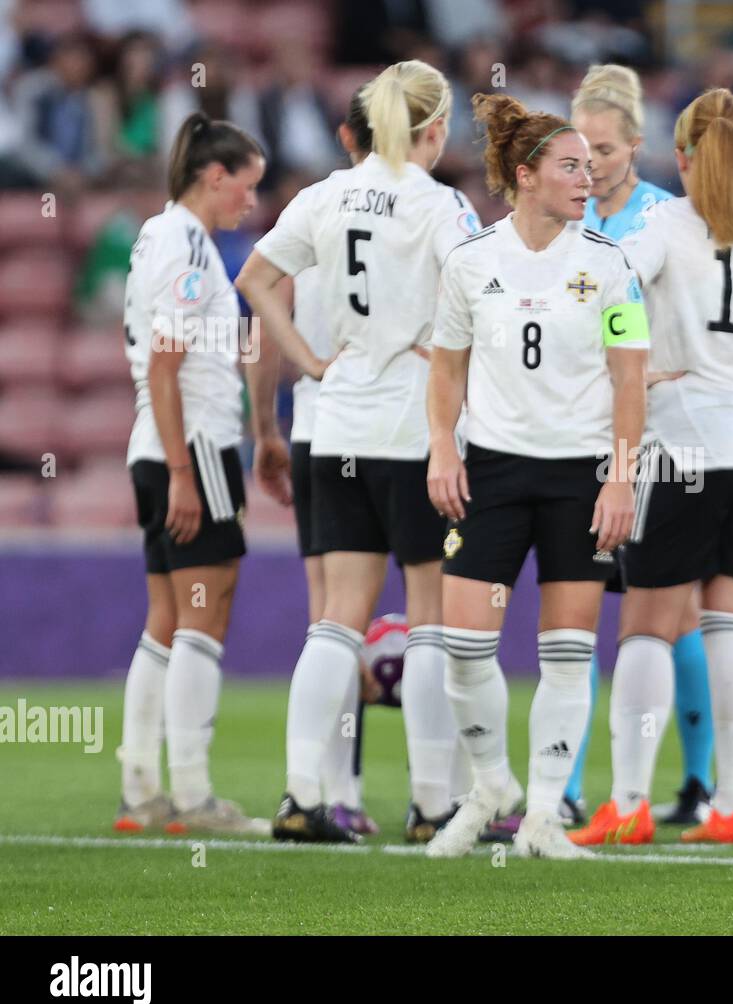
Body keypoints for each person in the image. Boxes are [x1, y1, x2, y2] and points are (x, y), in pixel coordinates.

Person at [236, 59, 481, 844]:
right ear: (434, 128)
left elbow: (255, 279)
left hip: (336, 423)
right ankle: (433, 805)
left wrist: (309, 363)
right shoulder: (441, 205)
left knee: (335, 622)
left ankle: (304, 797)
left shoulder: (322, 195)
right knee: (430, 620)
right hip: (415, 430)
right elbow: (479, 306)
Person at [569, 88, 733, 848]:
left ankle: (629, 803)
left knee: (646, 626)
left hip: (683, 446)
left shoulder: (663, 225)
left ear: (679, 156)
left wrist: (636, 367)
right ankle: (731, 807)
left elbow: (604, 294)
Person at [425, 92, 648, 860]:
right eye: (571, 166)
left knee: (567, 652)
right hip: (490, 470)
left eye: (591, 166)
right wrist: (442, 448)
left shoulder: (610, 264)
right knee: (462, 643)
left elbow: (630, 381)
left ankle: (546, 816)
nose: (588, 179)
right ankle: (491, 784)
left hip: (581, 476)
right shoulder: (470, 261)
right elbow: (446, 369)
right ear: (525, 175)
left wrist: (619, 480)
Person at [115, 110, 271, 835]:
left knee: (167, 620)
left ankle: (140, 786)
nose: (251, 201)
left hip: (153, 445)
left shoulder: (159, 236)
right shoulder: (185, 246)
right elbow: (166, 364)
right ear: (215, 177)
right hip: (194, 450)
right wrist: (185, 471)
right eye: (246, 185)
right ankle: (192, 794)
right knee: (206, 616)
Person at [562, 63, 700, 827]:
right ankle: (575, 783)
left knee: (669, 611)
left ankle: (701, 780)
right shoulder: (561, 219)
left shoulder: (662, 219)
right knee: (575, 603)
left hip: (648, 435)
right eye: (578, 153)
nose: (592, 166)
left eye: (604, 151)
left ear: (636, 148)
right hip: (574, 429)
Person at [274, 89, 381, 838]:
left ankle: (318, 789)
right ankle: (365, 791)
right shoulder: (425, 209)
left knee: (330, 619)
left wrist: (264, 427)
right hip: (392, 431)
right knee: (423, 618)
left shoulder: (309, 214)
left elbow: (263, 324)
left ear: (344, 135)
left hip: (317, 427)